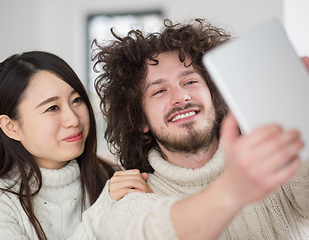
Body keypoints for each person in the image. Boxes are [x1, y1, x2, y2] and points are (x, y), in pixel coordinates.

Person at [92, 18, 308, 239]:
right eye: (159, 91)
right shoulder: (132, 200)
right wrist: (233, 188)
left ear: (215, 97)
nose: (181, 97)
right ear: (141, 121)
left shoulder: (280, 160)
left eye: (189, 82)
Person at [0, 51, 151, 240]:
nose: (73, 119)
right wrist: (102, 212)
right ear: (11, 127)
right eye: (52, 107)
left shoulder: (113, 180)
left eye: (77, 100)